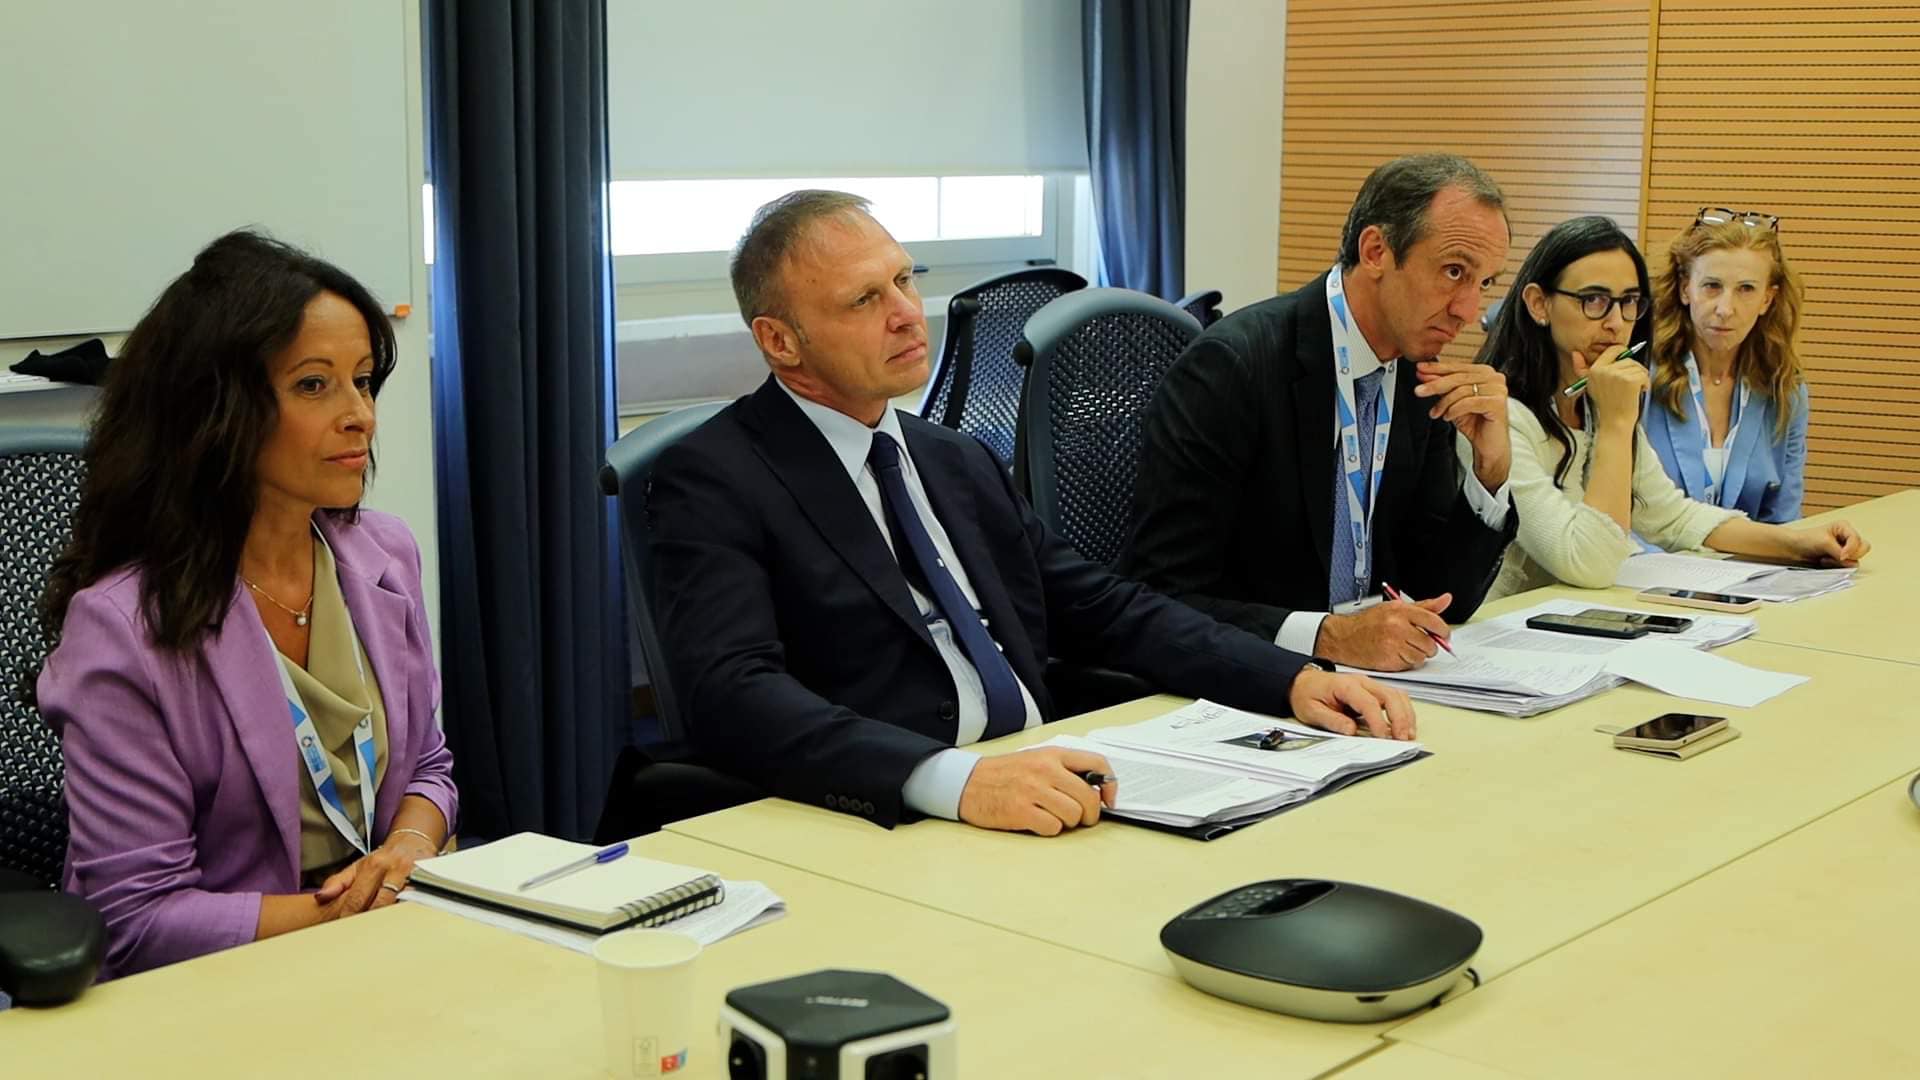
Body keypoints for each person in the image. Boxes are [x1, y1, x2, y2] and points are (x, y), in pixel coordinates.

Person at [647, 190, 1414, 837]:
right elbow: (735, 694)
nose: (908, 315)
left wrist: (1288, 678)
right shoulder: (713, 478)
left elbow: (1102, 607)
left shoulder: (952, 458)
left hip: (1043, 784)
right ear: (780, 341)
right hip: (893, 815)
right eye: (864, 300)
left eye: (904, 281)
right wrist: (953, 781)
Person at [37, 231, 456, 979]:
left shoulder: (386, 555)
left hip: (386, 946)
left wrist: (411, 848)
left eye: (363, 380)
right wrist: (364, 911)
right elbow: (136, 919)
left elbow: (429, 766)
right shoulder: (122, 627)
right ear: (218, 411)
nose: (361, 415)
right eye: (314, 385)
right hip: (223, 982)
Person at [1120, 154, 1519, 673]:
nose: (1468, 310)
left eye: (1484, 283)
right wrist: (1327, 636)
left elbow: (1442, 599)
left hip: (1368, 682)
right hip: (1242, 680)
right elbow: (1161, 594)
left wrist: (1490, 472)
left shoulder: (1417, 379)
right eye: (1454, 272)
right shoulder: (1234, 366)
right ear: (1376, 251)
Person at [1470, 215, 1867, 600]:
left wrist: (1799, 544)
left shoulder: (1593, 402)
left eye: (1628, 302)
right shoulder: (1499, 417)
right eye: (1594, 300)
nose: (1616, 323)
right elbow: (1588, 562)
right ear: (1539, 304)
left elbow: (1672, 515)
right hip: (1502, 629)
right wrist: (1616, 424)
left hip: (1574, 615)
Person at [1644, 208, 1808, 522]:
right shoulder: (1640, 378)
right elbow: (1617, 516)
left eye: (1746, 289)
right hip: (1648, 552)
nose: (1725, 309)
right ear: (1685, 289)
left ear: (1767, 299)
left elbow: (1784, 520)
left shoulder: (1785, 390)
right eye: (1712, 286)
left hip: (1750, 554)